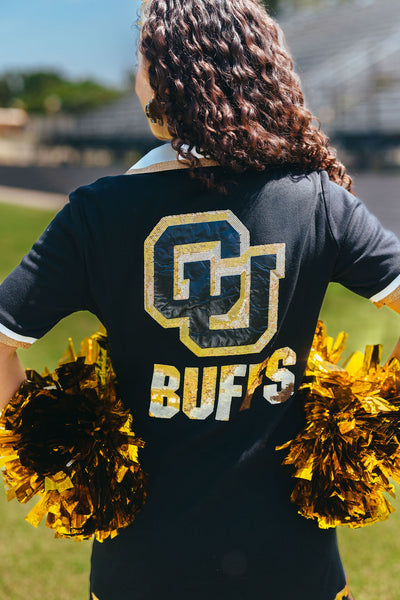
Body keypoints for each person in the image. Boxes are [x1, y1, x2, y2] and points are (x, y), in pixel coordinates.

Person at [0, 0, 400, 598]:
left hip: (139, 571)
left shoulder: (98, 212)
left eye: (138, 60)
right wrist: (367, 426)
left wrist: (57, 447)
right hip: (295, 571)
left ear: (162, 80)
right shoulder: (318, 199)